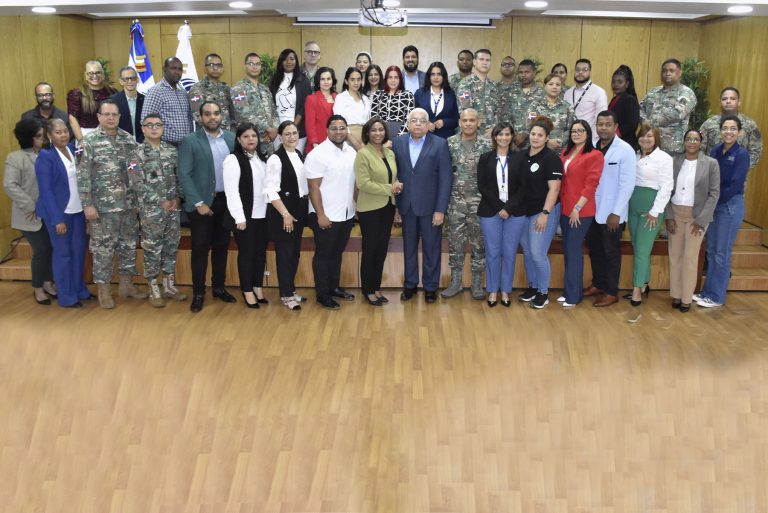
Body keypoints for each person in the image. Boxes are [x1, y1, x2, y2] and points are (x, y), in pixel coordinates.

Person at [77, 99, 144, 309]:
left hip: (128, 205)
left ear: (120, 117)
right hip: (102, 209)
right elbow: (82, 176)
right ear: (99, 117)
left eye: (114, 114)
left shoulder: (128, 140)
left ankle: (126, 285)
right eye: (106, 114)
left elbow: (135, 171)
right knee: (103, 250)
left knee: (128, 246)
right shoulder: (87, 142)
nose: (111, 118)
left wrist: (139, 198)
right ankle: (104, 290)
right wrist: (87, 204)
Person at [178, 101, 236, 313]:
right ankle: (199, 293)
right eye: (208, 114)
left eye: (216, 113)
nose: (213, 117)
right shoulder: (190, 141)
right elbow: (184, 174)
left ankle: (219, 288)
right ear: (200, 117)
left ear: (221, 116)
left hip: (226, 202)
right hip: (202, 204)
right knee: (200, 249)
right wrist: (198, 203)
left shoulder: (231, 138)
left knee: (222, 247)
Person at [126, 113, 186, 308]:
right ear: (142, 129)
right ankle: (153, 288)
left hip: (172, 210)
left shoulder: (172, 151)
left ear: (163, 128)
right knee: (152, 249)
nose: (154, 128)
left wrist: (178, 198)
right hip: (151, 211)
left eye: (158, 125)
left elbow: (180, 177)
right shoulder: (136, 154)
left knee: (171, 246)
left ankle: (169, 286)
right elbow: (136, 183)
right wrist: (159, 201)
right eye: (149, 125)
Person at [393, 108, 452, 303]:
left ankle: (430, 287)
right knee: (409, 247)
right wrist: (396, 207)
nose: (418, 123)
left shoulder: (440, 144)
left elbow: (445, 178)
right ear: (408, 123)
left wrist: (440, 210)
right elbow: (394, 175)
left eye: (422, 121)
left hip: (431, 207)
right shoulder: (398, 143)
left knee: (431, 248)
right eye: (414, 120)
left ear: (428, 125)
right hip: (406, 206)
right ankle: (410, 284)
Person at [34, 119, 91, 308]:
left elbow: (87, 155)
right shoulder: (45, 156)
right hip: (59, 213)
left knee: (79, 252)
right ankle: (66, 297)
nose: (63, 135)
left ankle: (79, 290)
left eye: (65, 131)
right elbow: (46, 191)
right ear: (49, 135)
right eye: (58, 132)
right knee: (63, 254)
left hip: (77, 211)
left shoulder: (74, 149)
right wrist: (57, 219)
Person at [695, 115, 750, 308]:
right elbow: (710, 177)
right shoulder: (716, 150)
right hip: (714, 204)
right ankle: (707, 292)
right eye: (725, 128)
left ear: (739, 132)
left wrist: (714, 198)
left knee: (721, 252)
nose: (728, 132)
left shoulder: (742, 154)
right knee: (711, 251)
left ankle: (716, 296)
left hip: (729, 205)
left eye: (733, 128)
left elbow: (735, 184)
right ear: (720, 131)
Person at [583, 110, 637, 307]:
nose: (603, 128)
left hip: (612, 212)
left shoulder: (625, 150)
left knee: (611, 252)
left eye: (608, 124)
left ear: (615, 127)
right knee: (595, 250)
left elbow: (627, 184)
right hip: (592, 210)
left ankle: (611, 291)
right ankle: (598, 284)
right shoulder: (592, 147)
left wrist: (616, 212)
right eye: (600, 124)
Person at [305, 115, 358, 310]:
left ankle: (334, 287)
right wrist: (320, 215)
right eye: (334, 128)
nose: (338, 132)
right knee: (323, 255)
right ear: (327, 130)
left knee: (337, 253)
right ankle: (322, 294)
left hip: (346, 214)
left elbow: (353, 183)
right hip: (325, 215)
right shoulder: (317, 154)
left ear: (347, 130)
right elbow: (313, 187)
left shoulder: (351, 152)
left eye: (342, 128)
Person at [665, 129, 720, 312]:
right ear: (684, 141)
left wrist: (702, 220)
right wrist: (669, 216)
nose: (692, 142)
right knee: (675, 256)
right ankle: (676, 294)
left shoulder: (711, 163)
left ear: (700, 143)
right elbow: (666, 189)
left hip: (697, 217)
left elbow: (714, 193)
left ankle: (687, 298)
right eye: (688, 139)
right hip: (675, 213)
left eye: (696, 139)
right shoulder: (675, 161)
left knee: (690, 257)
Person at [3, 119, 56, 305]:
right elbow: (10, 185)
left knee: (50, 247)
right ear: (28, 137)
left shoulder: (46, 155)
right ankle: (38, 288)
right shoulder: (15, 157)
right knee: (41, 249)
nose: (43, 139)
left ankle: (48, 282)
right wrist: (31, 206)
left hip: (49, 212)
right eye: (38, 136)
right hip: (29, 214)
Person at [442, 109, 491, 300]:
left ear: (478, 122)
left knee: (479, 245)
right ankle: (455, 282)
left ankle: (477, 283)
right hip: (455, 203)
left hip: (480, 203)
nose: (468, 123)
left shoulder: (488, 145)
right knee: (455, 244)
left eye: (472, 120)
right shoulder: (449, 143)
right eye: (465, 120)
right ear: (459, 123)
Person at [514, 117, 563, 309]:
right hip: (524, 212)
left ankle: (543, 292)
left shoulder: (551, 158)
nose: (535, 137)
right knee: (528, 251)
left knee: (537, 252)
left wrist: (545, 213)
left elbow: (554, 189)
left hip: (543, 211)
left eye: (540, 135)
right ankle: (533, 286)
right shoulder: (522, 156)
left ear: (547, 137)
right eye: (533, 134)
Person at [476, 122, 526, 308]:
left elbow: (523, 186)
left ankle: (505, 290)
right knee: (493, 252)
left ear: (512, 136)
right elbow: (482, 186)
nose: (504, 138)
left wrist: (509, 208)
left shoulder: (520, 158)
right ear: (494, 137)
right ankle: (492, 290)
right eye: (500, 134)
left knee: (510, 252)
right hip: (490, 211)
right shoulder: (485, 158)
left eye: (507, 134)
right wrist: (500, 207)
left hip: (515, 212)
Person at [355, 118, 401, 306]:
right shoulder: (363, 154)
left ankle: (376, 287)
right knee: (370, 250)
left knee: (381, 250)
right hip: (370, 209)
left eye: (381, 130)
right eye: (373, 130)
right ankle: (368, 290)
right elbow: (363, 184)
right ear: (367, 133)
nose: (377, 133)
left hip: (388, 207)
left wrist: (395, 196)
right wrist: (390, 189)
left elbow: (393, 177)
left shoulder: (389, 153)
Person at [222, 122, 270, 309]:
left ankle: (257, 286)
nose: (251, 139)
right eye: (246, 136)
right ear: (239, 140)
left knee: (260, 254)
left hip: (263, 215)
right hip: (244, 217)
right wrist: (239, 218)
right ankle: (247, 290)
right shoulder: (233, 159)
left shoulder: (262, 158)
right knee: (247, 254)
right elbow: (231, 191)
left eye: (254, 136)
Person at [625, 122, 673, 306]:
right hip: (633, 205)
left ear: (656, 138)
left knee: (642, 250)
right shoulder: (634, 155)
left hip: (651, 207)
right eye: (642, 135)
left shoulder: (664, 158)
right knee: (637, 246)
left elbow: (667, 187)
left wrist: (655, 211)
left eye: (649, 136)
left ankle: (636, 290)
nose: (645, 139)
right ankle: (644, 283)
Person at [558, 119, 603, 307]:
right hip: (565, 208)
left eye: (580, 131)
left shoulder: (594, 155)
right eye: (573, 131)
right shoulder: (566, 152)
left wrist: (577, 208)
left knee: (574, 251)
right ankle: (569, 290)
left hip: (581, 211)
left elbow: (591, 184)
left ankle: (574, 296)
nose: (576, 134)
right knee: (568, 251)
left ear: (587, 133)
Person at [264, 121, 308, 311]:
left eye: (294, 133)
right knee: (285, 254)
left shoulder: (298, 154)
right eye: (287, 134)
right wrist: (285, 214)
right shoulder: (275, 159)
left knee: (294, 253)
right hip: (283, 212)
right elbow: (270, 191)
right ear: (280, 137)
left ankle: (290, 289)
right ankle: (286, 294)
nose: (292, 137)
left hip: (298, 209)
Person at [639, 58, 697, 155]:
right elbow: (640, 109)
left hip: (672, 148)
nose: (667, 73)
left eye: (671, 71)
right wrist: (644, 122)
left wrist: (650, 123)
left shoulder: (686, 93)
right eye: (664, 71)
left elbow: (677, 115)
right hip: (650, 145)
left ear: (680, 73)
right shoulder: (653, 92)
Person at [699, 87, 762, 169]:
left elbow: (756, 151)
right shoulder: (708, 124)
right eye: (724, 99)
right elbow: (699, 147)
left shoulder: (750, 125)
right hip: (711, 171)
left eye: (732, 99)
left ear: (739, 102)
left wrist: (742, 167)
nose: (728, 101)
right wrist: (706, 166)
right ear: (720, 102)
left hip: (737, 172)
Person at [231, 52, 280, 156]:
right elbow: (244, 115)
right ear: (245, 66)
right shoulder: (238, 89)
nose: (255, 67)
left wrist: (274, 130)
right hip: (250, 142)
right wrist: (268, 129)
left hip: (269, 143)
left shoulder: (265, 89)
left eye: (258, 64)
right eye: (251, 64)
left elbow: (274, 112)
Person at [142, 57, 194, 145]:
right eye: (173, 68)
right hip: (165, 146)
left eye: (180, 69)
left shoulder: (183, 91)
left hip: (186, 145)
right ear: (164, 69)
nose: (177, 72)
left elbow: (189, 118)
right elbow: (146, 120)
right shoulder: (156, 91)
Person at [270, 49, 312, 153]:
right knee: (279, 158)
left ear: (296, 61)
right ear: (281, 62)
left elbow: (304, 107)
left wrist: (292, 127)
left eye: (292, 59)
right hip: (277, 129)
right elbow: (270, 104)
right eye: (285, 59)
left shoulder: (304, 80)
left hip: (297, 129)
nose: (288, 62)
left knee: (295, 158)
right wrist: (276, 128)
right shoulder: (274, 80)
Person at [67, 60, 117, 141]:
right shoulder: (77, 94)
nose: (95, 76)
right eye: (90, 73)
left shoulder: (112, 92)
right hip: (86, 136)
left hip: (110, 135)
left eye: (98, 72)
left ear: (103, 74)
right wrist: (82, 141)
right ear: (85, 75)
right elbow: (72, 119)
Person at [456, 49, 499, 137]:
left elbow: (497, 111)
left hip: (492, 134)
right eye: (481, 59)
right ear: (474, 62)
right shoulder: (465, 84)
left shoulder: (493, 85)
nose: (485, 63)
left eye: (487, 60)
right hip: (472, 135)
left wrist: (494, 129)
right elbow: (465, 111)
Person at [527, 74, 573, 154]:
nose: (554, 87)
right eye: (551, 84)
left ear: (561, 87)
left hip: (560, 151)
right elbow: (529, 126)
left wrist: (559, 141)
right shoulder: (534, 106)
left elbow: (571, 129)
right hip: (539, 150)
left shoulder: (568, 107)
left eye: (558, 84)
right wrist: (547, 142)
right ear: (545, 86)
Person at [565, 58, 608, 144]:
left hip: (589, 140)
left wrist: (593, 140)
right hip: (569, 139)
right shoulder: (568, 93)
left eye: (585, 70)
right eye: (577, 70)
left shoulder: (599, 92)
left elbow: (601, 118)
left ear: (590, 72)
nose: (580, 72)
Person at [188, 53, 234, 131]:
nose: (215, 68)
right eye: (211, 65)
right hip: (207, 134)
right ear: (205, 69)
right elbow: (197, 116)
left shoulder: (226, 88)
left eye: (218, 65)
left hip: (227, 134)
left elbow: (232, 114)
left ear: (222, 68)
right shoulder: (197, 89)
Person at [414, 61, 459, 139]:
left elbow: (456, 119)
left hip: (445, 138)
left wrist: (444, 122)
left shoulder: (451, 94)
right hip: (423, 137)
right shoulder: (419, 93)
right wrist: (425, 123)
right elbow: (413, 115)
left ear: (443, 76)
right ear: (429, 76)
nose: (436, 77)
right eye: (433, 74)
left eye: (439, 74)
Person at [509, 59, 545, 149]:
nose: (523, 75)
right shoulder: (512, 92)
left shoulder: (542, 93)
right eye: (521, 72)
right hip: (512, 142)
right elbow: (506, 116)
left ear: (534, 73)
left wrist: (526, 134)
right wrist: (512, 134)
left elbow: (543, 118)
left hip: (534, 142)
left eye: (527, 72)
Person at [371, 66, 414, 138]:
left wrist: (398, 138)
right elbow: (373, 119)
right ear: (386, 79)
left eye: (396, 77)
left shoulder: (407, 95)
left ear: (400, 79)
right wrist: (382, 138)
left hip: (402, 137)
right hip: (380, 136)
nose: (393, 80)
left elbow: (409, 120)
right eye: (390, 77)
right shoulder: (378, 95)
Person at [333, 67, 370, 150]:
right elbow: (339, 121)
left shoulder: (365, 99)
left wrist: (364, 142)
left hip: (364, 139)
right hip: (346, 139)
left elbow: (368, 122)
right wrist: (354, 143)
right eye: (352, 79)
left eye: (358, 79)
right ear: (346, 81)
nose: (356, 83)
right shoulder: (341, 98)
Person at [304, 67, 338, 153]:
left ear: (332, 80)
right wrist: (315, 144)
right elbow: (310, 125)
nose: (326, 82)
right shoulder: (311, 99)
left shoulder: (338, 97)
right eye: (322, 79)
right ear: (318, 81)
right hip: (319, 143)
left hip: (337, 141)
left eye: (328, 79)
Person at [110, 66, 145, 143]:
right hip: (121, 144)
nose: (130, 81)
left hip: (142, 143)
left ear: (137, 80)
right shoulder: (113, 101)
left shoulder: (145, 100)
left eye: (133, 78)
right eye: (126, 79)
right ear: (121, 81)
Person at [609, 65, 640, 150]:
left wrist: (613, 134)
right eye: (613, 82)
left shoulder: (630, 99)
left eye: (620, 82)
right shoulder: (614, 99)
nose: (616, 85)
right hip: (614, 141)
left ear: (627, 84)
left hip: (626, 143)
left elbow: (632, 124)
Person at [497, 56, 519, 126]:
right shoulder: (493, 88)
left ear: (515, 68)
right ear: (500, 68)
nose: (507, 66)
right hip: (498, 127)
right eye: (504, 64)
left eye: (510, 64)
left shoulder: (522, 87)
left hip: (517, 127)